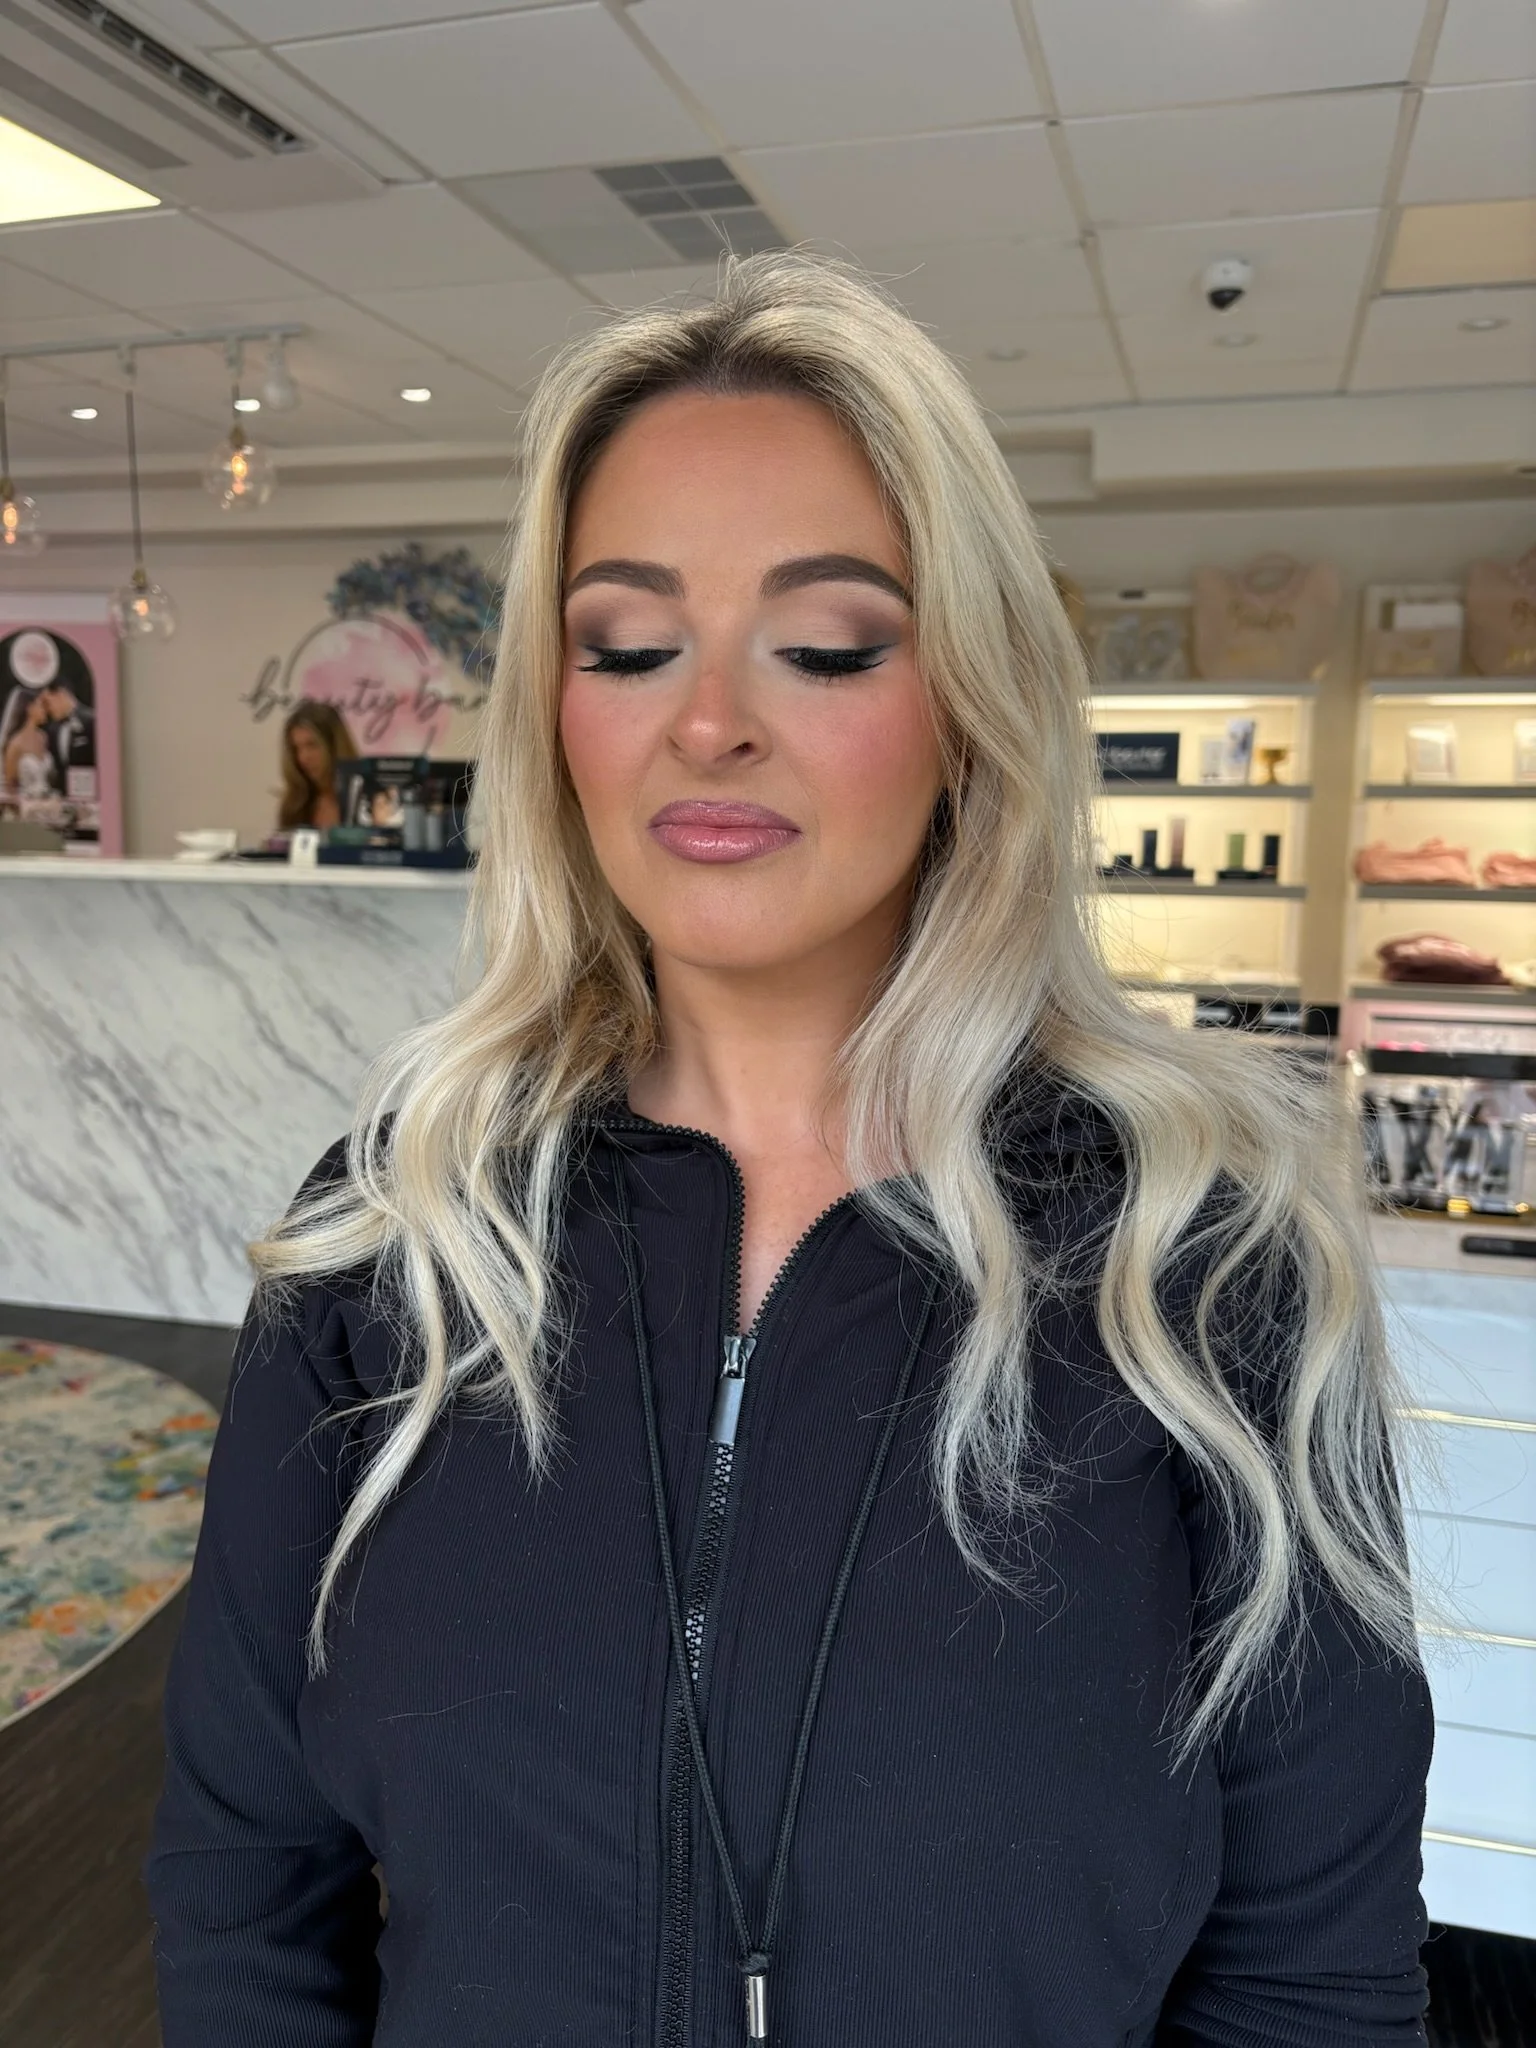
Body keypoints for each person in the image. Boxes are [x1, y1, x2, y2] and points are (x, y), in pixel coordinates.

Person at [146, 255, 1432, 2047]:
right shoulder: (394, 1243)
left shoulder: (1201, 1267)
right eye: (628, 642)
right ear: (554, 713)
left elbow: (1311, 1976)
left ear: (969, 701)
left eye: (825, 643)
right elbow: (242, 1901)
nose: (708, 718)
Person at [278, 699, 357, 830]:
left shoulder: (366, 802)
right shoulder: (295, 806)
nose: (303, 758)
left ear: (334, 745)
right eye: (296, 749)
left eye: (312, 745)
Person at [1, 688, 56, 798]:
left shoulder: (43, 737)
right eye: (41, 705)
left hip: (46, 803)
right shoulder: (15, 744)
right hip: (24, 805)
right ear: (29, 708)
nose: (45, 710)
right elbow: (9, 786)